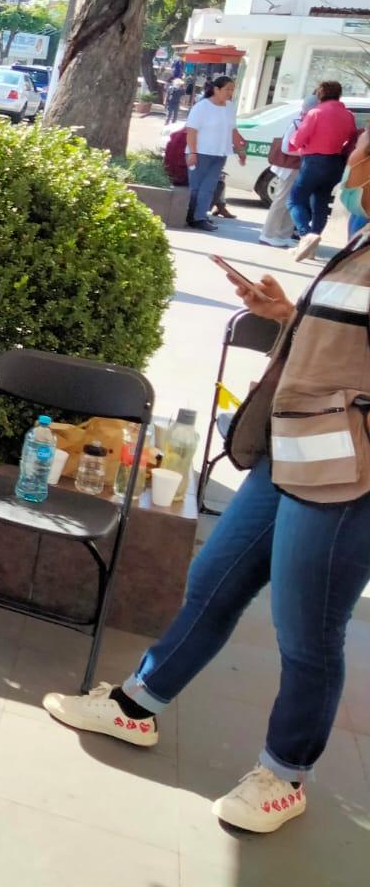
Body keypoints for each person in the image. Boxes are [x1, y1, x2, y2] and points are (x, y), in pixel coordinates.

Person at [43, 245, 370, 835]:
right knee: (214, 581)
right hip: (293, 448)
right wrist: (286, 314)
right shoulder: (362, 242)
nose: (350, 191)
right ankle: (136, 706)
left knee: (308, 631)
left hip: (348, 476)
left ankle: (284, 775)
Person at [288, 80, 359, 262]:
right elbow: (352, 138)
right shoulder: (348, 115)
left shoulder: (315, 113)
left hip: (313, 161)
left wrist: (296, 140)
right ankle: (312, 245)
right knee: (320, 203)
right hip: (335, 162)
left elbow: (298, 139)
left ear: (320, 94)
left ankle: (305, 236)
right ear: (339, 95)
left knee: (295, 200)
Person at [183, 75, 246, 231]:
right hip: (201, 152)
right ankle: (190, 215)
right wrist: (193, 152)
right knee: (196, 187)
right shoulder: (202, 107)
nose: (230, 93)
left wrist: (240, 150)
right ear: (216, 89)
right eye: (227, 89)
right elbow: (191, 131)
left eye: (232, 89)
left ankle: (200, 217)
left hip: (220, 153)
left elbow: (233, 130)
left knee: (209, 187)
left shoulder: (230, 107)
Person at [259, 94, 316, 247]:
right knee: (281, 201)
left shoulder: (307, 123)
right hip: (290, 169)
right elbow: (286, 148)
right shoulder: (297, 124)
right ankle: (268, 234)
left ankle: (283, 235)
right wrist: (306, 152)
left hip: (300, 168)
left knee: (294, 202)